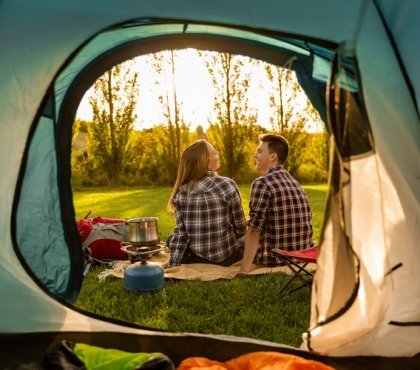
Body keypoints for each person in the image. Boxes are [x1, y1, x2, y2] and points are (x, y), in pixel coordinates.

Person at [239, 133, 315, 273]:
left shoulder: (262, 183)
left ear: (273, 156)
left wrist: (243, 270)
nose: (255, 155)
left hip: (275, 257)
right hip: (300, 254)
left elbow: (254, 231)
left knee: (236, 239)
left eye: (260, 151)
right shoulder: (294, 182)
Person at [167, 139, 247, 267]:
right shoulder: (227, 184)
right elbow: (241, 227)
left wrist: (173, 264)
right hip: (229, 258)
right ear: (207, 163)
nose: (218, 152)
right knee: (245, 240)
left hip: (199, 260)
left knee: (171, 239)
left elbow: (181, 235)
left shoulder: (181, 192)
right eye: (214, 152)